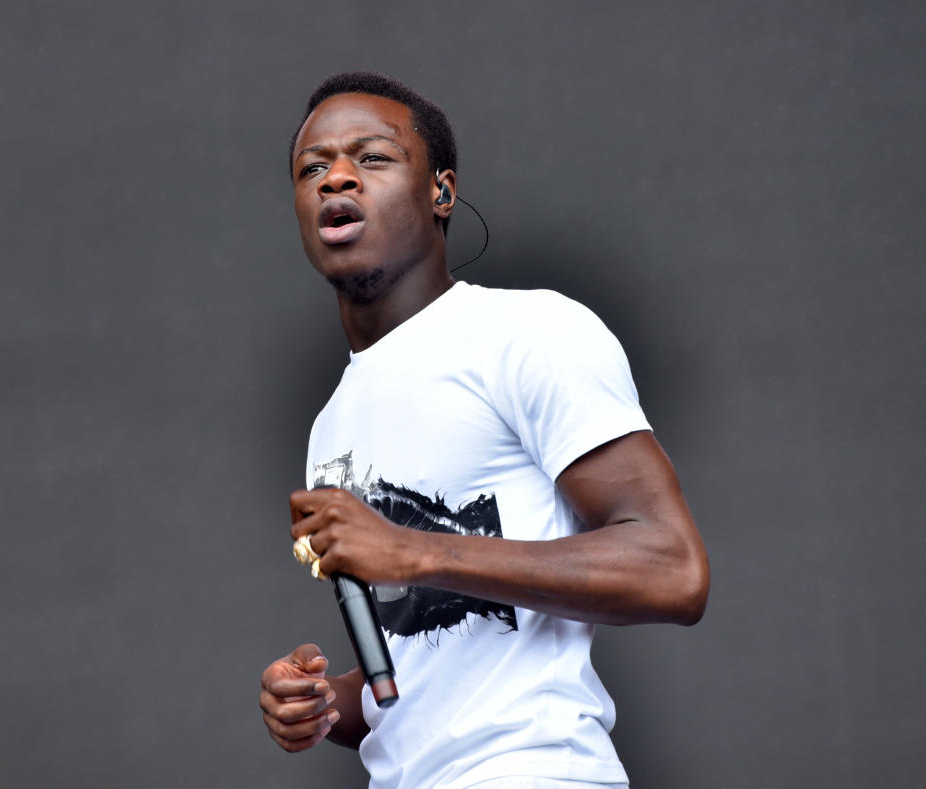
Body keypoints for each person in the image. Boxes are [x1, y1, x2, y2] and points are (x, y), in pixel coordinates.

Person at [259, 72, 709, 789]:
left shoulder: (527, 333)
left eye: (370, 157)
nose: (336, 176)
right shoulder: (330, 428)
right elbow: (418, 668)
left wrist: (413, 549)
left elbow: (674, 569)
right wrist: (325, 703)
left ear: (440, 191)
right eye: (313, 167)